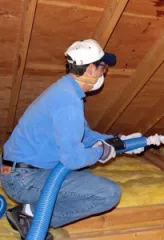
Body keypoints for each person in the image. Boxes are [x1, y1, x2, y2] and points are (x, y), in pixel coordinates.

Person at [0, 39, 143, 240]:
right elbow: (72, 159)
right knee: (108, 194)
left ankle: (29, 211)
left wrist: (118, 141)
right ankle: (30, 213)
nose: (104, 72)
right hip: (22, 179)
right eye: (103, 67)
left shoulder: (65, 90)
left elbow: (84, 135)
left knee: (84, 170)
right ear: (91, 68)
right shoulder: (68, 103)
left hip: (17, 169)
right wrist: (100, 152)